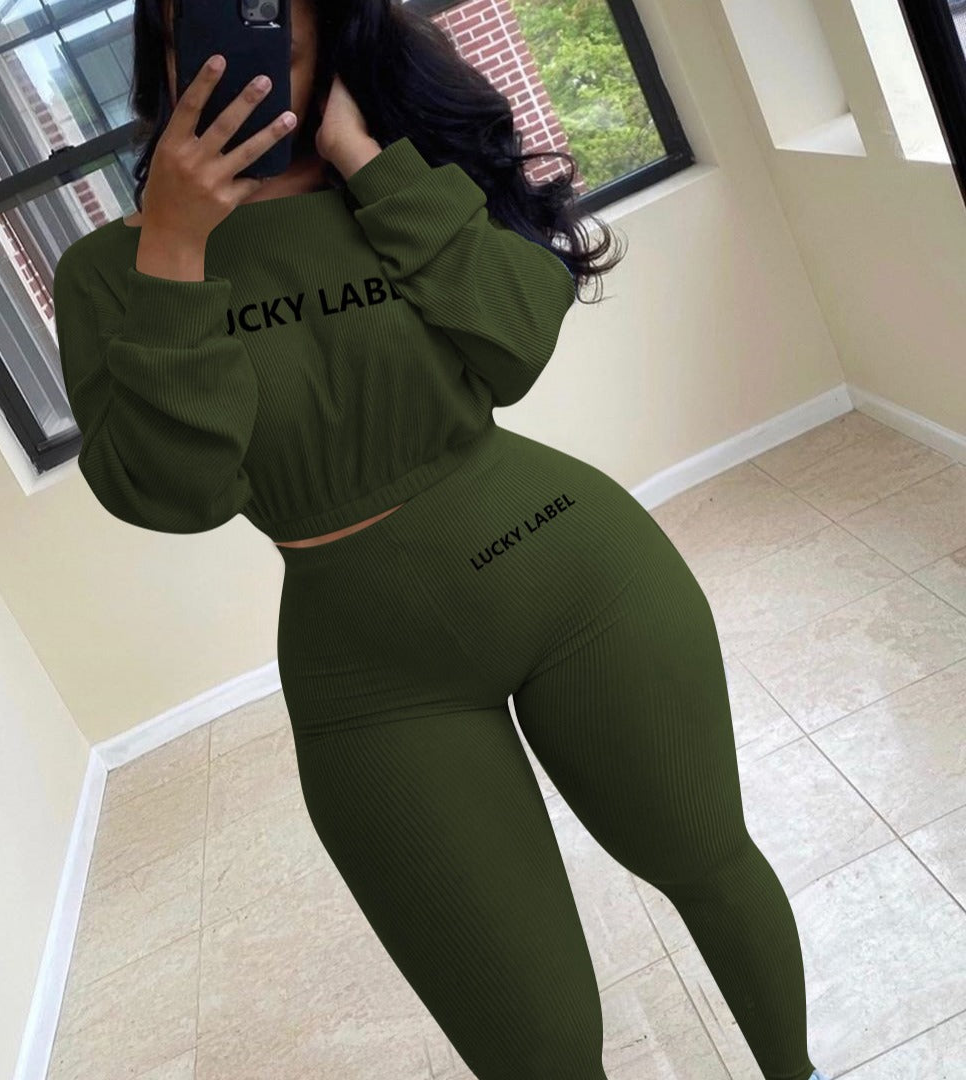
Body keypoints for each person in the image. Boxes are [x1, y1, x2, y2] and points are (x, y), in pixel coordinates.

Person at [52, 1, 829, 1077]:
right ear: (162, 56)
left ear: (331, 45)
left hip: (580, 575)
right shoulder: (112, 273)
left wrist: (363, 155)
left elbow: (515, 344)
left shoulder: (396, 184)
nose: (233, 65)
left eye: (274, 35)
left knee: (706, 861)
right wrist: (176, 244)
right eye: (196, 34)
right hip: (371, 673)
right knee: (536, 1043)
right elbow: (174, 494)